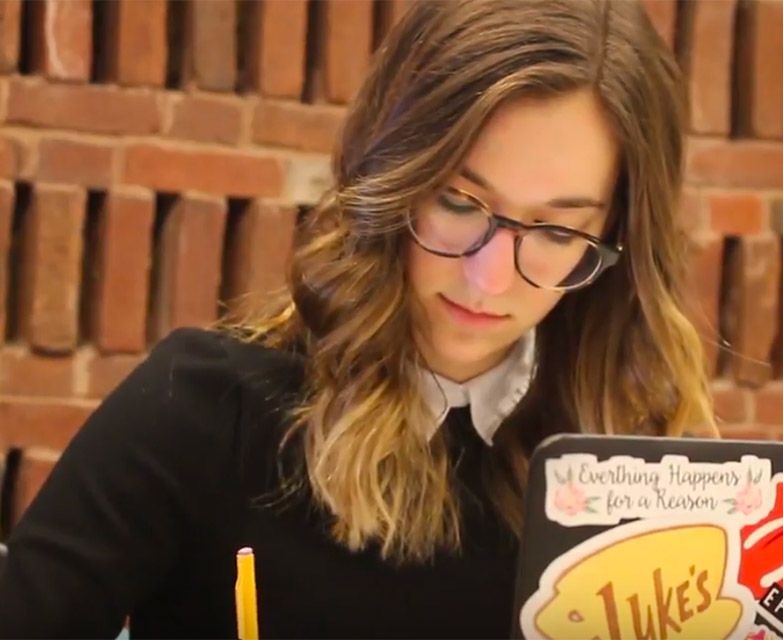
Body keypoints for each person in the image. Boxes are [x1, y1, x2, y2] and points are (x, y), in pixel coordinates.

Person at [0, 0, 716, 637]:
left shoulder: (643, 480)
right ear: (389, 175)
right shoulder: (206, 410)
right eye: (460, 204)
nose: (489, 276)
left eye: (559, 234)